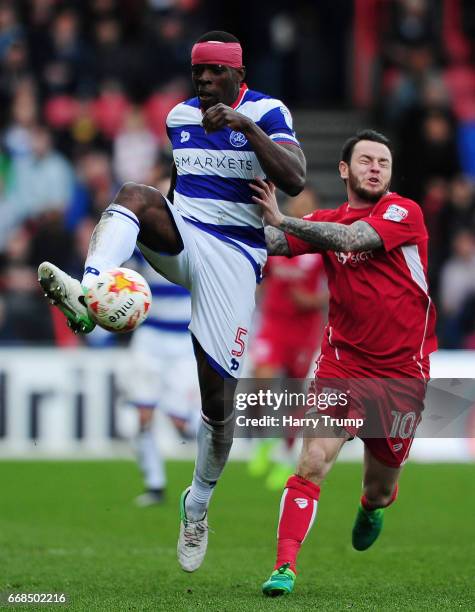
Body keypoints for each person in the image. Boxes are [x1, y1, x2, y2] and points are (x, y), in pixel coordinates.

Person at [37, 31, 306, 572]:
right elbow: (181, 186)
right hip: (188, 236)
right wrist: (166, 222)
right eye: (197, 72)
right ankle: (89, 290)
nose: (203, 81)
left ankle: (197, 503)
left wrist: (245, 127)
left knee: (219, 408)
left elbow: (295, 179)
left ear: (238, 72)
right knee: (135, 195)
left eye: (214, 72)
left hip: (234, 258)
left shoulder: (268, 111)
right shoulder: (179, 119)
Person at [250, 129, 437, 596]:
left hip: (401, 374)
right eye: (367, 160)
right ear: (344, 169)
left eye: (383, 162)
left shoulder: (402, 212)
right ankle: (285, 567)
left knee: (379, 487)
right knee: (313, 459)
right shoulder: (325, 218)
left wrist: (286, 220)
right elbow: (271, 244)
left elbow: (350, 237)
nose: (376, 168)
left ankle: (373, 505)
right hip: (343, 364)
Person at [249, 187, 327, 490]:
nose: (301, 208)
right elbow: (261, 275)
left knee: (295, 396)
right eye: (297, 203)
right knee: (260, 383)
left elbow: (332, 291)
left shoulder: (321, 248)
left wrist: (311, 300)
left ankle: (283, 456)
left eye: (307, 204)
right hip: (274, 325)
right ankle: (265, 440)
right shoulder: (278, 241)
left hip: (303, 332)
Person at [123, 252, 200, 507]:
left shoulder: (195, 241)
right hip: (150, 336)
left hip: (184, 339)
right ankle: (155, 485)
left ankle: (205, 478)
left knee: (180, 422)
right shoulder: (141, 244)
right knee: (143, 415)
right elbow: (123, 276)